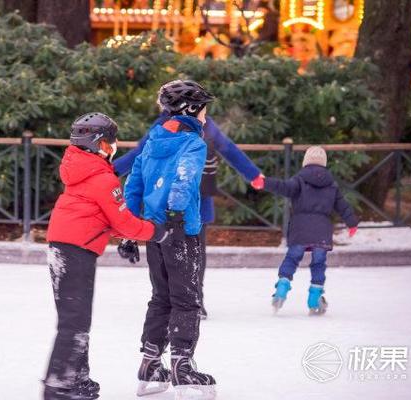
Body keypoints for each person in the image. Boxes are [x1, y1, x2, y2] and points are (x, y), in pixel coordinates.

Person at [44, 112, 172, 400]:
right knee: (74, 322)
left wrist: (125, 236)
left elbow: (97, 217)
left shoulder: (80, 168)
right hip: (75, 252)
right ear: (99, 144)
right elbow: (123, 221)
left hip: (62, 246)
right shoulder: (101, 177)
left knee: (75, 319)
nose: (114, 146)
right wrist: (156, 232)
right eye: (111, 141)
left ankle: (77, 377)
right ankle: (59, 386)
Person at [114, 99, 263, 320]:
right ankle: (166, 297)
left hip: (196, 200)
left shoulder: (201, 126)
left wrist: (253, 174)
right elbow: (140, 155)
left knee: (195, 251)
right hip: (166, 202)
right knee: (168, 251)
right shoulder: (163, 127)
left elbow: (229, 150)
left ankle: (195, 297)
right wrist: (110, 170)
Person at [118, 80, 216, 398]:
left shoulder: (152, 142)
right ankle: (182, 366)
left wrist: (129, 231)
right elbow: (185, 179)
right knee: (186, 300)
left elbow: (134, 186)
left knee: (161, 297)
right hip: (181, 231)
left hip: (151, 230)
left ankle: (149, 363)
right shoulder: (193, 144)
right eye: (203, 110)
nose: (206, 116)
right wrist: (175, 214)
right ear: (190, 109)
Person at [259, 146, 358, 314]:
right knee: (319, 263)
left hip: (300, 229)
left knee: (292, 258)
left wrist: (264, 182)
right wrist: (352, 223)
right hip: (322, 231)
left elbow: (283, 187)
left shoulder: (299, 180)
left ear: (306, 162)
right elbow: (343, 206)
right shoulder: (332, 184)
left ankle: (282, 287)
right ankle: (315, 298)